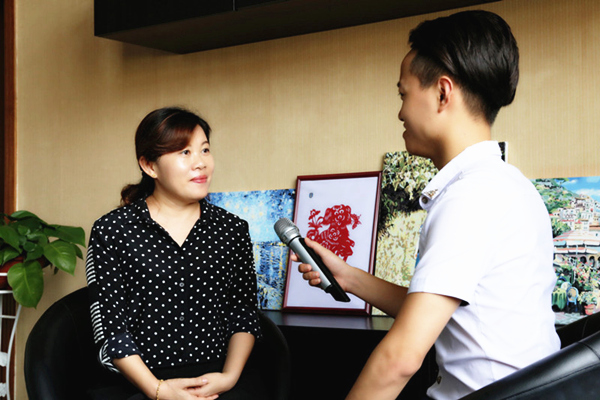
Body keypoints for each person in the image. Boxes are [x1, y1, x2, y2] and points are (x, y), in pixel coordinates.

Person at [295, 10, 560, 400]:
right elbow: (436, 307)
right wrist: (348, 277)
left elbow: (400, 359)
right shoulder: (507, 184)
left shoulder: (471, 197)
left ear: (442, 93)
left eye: (403, 94)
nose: (400, 112)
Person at [86, 107, 266, 400]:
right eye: (185, 152)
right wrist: (159, 390)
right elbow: (112, 330)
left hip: (218, 379)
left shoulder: (232, 229)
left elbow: (243, 314)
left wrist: (228, 378)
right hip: (139, 382)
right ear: (149, 166)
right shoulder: (112, 230)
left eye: (205, 150)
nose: (201, 163)